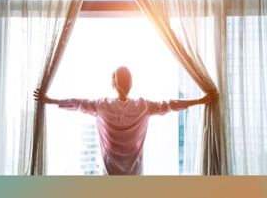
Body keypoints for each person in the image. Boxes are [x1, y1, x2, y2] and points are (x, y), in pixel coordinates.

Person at [33, 66, 219, 175]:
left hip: (108, 175)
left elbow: (76, 104)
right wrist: (200, 100)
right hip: (134, 177)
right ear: (131, 84)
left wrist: (51, 101)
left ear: (113, 84)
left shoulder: (102, 105)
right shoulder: (143, 106)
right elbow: (170, 105)